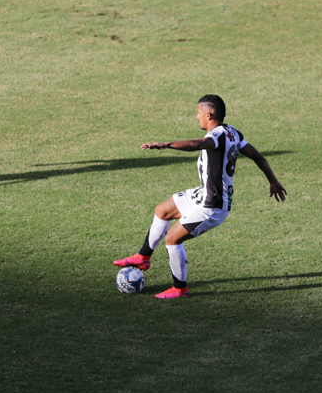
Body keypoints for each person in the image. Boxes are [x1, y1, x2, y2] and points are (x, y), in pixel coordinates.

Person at [114, 94, 287, 299]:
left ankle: (180, 288)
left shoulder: (216, 136)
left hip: (212, 205)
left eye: (198, 112)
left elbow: (198, 144)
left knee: (173, 239)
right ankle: (143, 257)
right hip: (203, 193)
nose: (196, 117)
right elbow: (257, 156)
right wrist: (273, 180)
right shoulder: (233, 133)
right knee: (162, 210)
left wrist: (167, 144)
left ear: (209, 114)